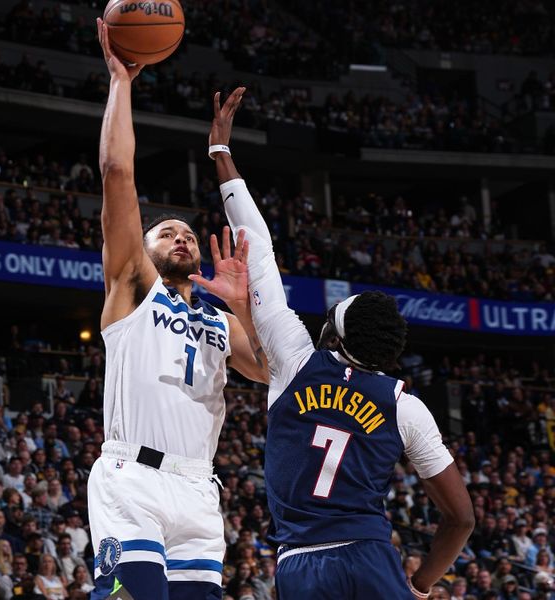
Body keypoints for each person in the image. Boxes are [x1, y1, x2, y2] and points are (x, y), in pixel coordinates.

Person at [189, 87, 475, 600]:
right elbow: (461, 519)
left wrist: (221, 153)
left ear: (333, 333)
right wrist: (421, 583)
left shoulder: (293, 359)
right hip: (371, 557)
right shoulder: (404, 406)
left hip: (301, 564)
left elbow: (257, 245)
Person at [86, 20, 268, 600]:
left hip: (197, 489)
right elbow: (118, 174)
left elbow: (269, 370)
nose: (182, 239)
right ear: (143, 249)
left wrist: (247, 306)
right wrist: (121, 82)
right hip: (132, 478)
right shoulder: (134, 288)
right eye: (166, 233)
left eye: (188, 234)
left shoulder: (221, 320)